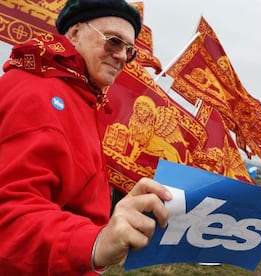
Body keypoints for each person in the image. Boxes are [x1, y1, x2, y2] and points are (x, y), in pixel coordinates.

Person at [0, 1, 172, 275]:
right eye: (113, 42)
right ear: (75, 33)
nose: (122, 57)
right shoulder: (41, 94)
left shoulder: (80, 97)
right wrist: (94, 243)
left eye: (130, 51)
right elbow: (9, 215)